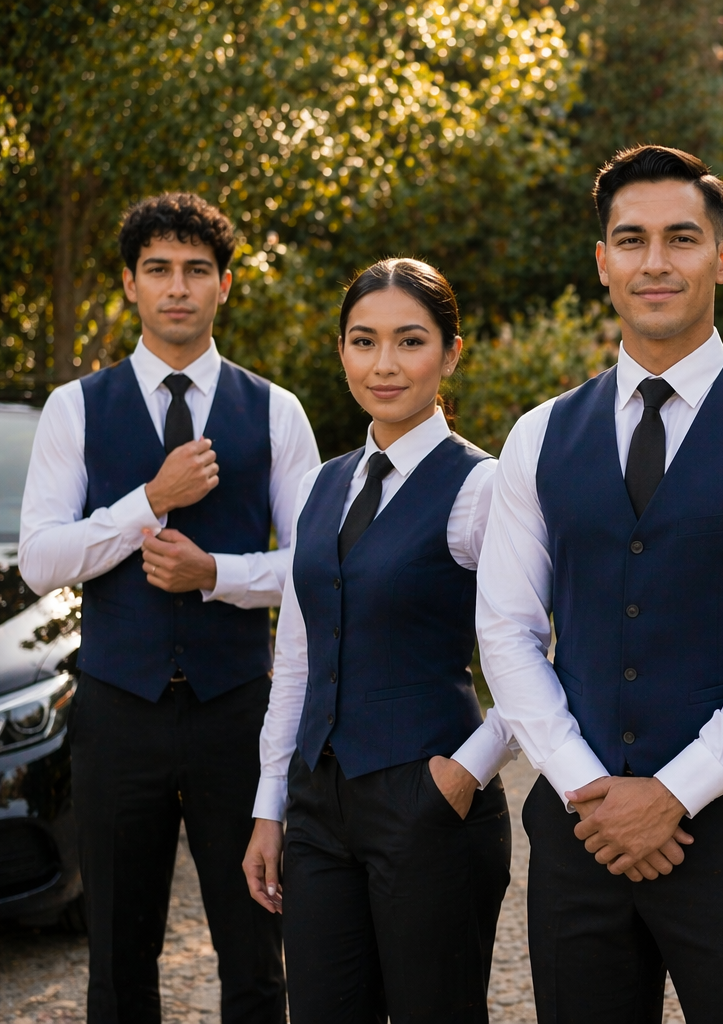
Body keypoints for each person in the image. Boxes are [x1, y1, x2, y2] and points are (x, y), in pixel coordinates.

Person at [475, 144, 723, 1022]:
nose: (656, 262)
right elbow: (505, 631)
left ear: (722, 256)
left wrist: (673, 794)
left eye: (681, 239)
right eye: (632, 240)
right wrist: (588, 789)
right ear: (602, 261)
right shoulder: (537, 437)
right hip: (580, 837)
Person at [19, 193, 319, 1024]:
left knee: (258, 953)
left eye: (196, 270)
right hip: (118, 710)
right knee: (117, 959)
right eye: (158, 270)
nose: (177, 287)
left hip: (239, 710)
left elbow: (318, 568)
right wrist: (147, 500)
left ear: (225, 285)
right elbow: (39, 561)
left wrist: (214, 572)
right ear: (128, 284)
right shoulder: (74, 408)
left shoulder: (277, 410)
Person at [239, 258, 517, 1023]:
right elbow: (294, 660)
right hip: (319, 807)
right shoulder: (318, 486)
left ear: (451, 353)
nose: (384, 365)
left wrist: (465, 774)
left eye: (410, 341)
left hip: (429, 804)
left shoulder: (481, 487)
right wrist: (271, 808)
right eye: (364, 342)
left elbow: (542, 654)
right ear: (342, 352)